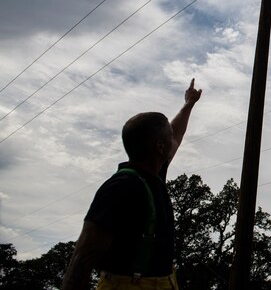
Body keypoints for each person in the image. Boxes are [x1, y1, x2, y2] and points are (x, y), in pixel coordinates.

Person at [61, 78, 203, 290]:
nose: (174, 138)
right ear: (160, 146)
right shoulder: (120, 187)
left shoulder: (153, 173)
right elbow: (82, 258)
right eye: (168, 136)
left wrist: (189, 104)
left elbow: (177, 132)